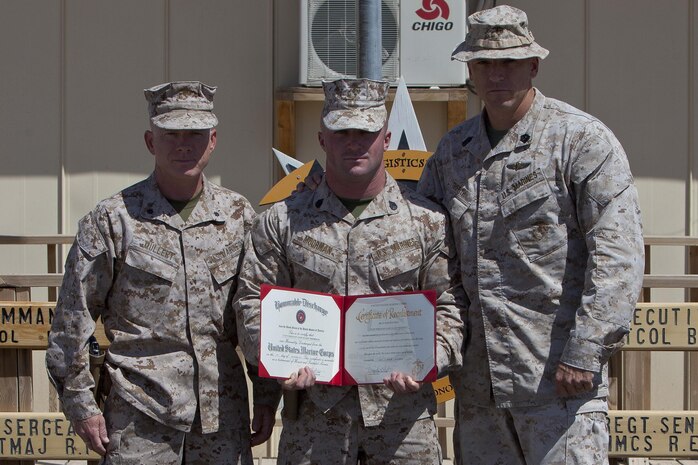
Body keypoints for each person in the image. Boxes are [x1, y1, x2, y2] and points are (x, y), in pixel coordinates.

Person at [416, 5, 645, 465]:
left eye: (509, 62)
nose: (496, 74)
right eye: (484, 63)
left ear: (533, 65)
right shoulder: (452, 153)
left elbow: (617, 254)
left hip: (558, 383)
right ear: (470, 70)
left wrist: (586, 349)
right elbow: (432, 256)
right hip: (481, 391)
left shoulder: (580, 140)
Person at [46, 81, 279, 465]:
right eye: (171, 134)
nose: (184, 145)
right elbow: (73, 318)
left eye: (195, 134)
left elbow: (254, 311)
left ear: (214, 140)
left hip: (221, 415)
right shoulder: (113, 220)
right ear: (150, 141)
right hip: (139, 415)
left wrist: (267, 396)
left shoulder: (238, 216)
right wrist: (81, 404)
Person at [234, 78, 464, 465]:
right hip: (313, 420)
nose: (354, 142)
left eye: (365, 132)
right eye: (342, 132)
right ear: (322, 139)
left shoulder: (426, 222)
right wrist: (275, 358)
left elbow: (451, 305)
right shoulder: (283, 222)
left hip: (401, 420)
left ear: (386, 137)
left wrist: (429, 359)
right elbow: (251, 301)